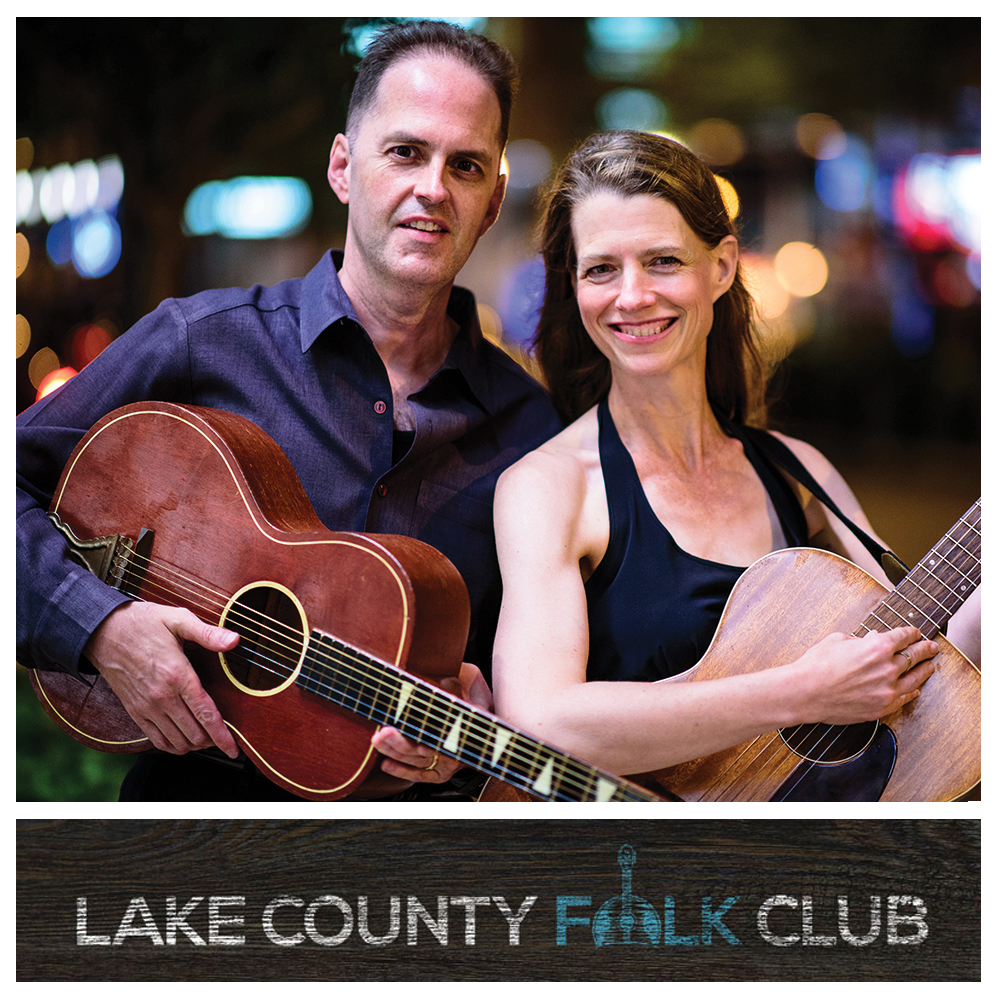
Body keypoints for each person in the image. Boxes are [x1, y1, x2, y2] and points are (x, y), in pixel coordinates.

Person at [16, 21, 562, 800]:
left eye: (465, 166)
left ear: (492, 200)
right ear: (344, 167)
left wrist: (479, 732)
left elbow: (532, 679)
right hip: (179, 835)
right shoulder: (201, 342)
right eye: (405, 152)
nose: (433, 188)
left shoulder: (532, 434)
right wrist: (99, 626)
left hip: (404, 872)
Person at [490, 129, 980, 784]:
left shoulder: (798, 472)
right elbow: (539, 724)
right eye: (602, 268)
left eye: (663, 261)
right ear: (574, 288)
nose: (632, 295)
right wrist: (801, 692)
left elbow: (931, 667)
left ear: (721, 267)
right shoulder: (548, 488)